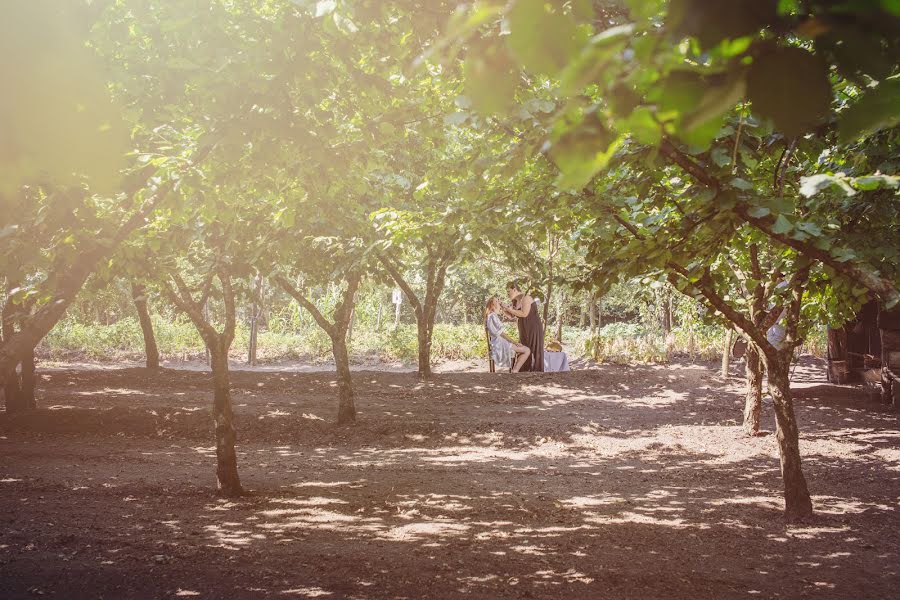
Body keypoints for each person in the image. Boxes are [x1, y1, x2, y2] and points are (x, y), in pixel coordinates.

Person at [502, 282, 544, 372]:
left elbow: (524, 313)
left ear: (514, 289)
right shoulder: (514, 301)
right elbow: (511, 316)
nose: (508, 294)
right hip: (523, 328)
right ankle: (523, 370)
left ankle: (536, 371)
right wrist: (503, 309)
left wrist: (509, 309)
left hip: (533, 327)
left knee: (534, 348)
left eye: (509, 291)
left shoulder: (526, 298)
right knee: (524, 346)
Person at [485, 297, 531, 373]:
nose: (499, 302)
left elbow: (511, 317)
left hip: (500, 342)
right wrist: (514, 342)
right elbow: (501, 334)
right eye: (497, 301)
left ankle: (515, 370)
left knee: (525, 349)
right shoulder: (492, 316)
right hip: (500, 344)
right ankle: (515, 370)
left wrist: (505, 308)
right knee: (527, 350)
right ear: (492, 305)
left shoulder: (493, 316)